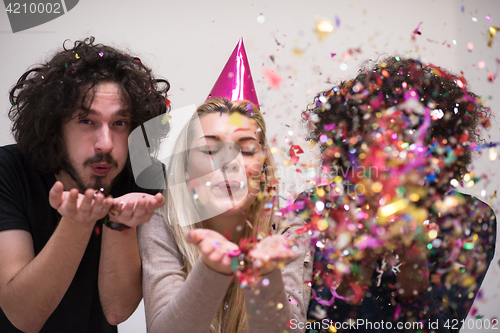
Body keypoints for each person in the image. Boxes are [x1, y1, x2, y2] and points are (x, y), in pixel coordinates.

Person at [300, 57, 497, 332]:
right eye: (378, 135)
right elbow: (305, 323)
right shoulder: (314, 207)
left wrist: (413, 265)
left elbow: (443, 327)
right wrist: (361, 261)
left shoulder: (468, 219)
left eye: (412, 135)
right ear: (352, 142)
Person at [137, 39, 312, 333]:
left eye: (245, 150)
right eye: (209, 150)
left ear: (264, 170)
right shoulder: (161, 220)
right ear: (185, 167)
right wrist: (213, 269)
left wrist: (264, 275)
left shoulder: (288, 227)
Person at [0, 37, 169, 333]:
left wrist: (119, 225)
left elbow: (117, 311)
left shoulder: (140, 175)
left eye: (119, 124)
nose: (105, 144)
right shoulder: (8, 170)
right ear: (54, 128)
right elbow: (22, 316)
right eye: (87, 121)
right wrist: (77, 223)